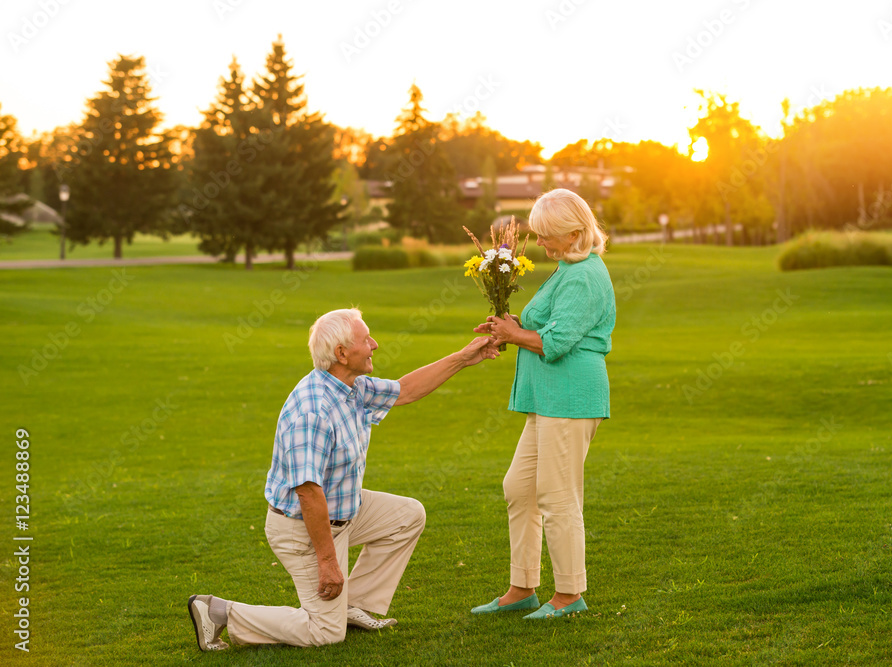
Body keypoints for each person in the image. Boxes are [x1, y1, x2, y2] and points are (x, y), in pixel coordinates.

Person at [187, 308, 498, 650]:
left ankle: (349, 606)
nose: (374, 345)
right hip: (303, 529)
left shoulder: (350, 387)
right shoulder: (313, 410)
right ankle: (219, 612)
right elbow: (308, 492)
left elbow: (405, 390)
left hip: (346, 511)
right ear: (341, 354)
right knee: (324, 633)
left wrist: (465, 357)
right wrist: (328, 563)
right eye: (366, 339)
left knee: (407, 516)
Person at [472, 188, 616, 620]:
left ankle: (570, 596)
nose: (542, 244)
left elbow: (555, 341)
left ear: (575, 231)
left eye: (547, 236)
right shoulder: (566, 269)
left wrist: (515, 334)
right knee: (519, 489)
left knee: (558, 497)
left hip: (571, 397)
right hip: (548, 399)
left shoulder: (586, 275)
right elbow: (545, 325)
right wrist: (510, 325)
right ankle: (523, 587)